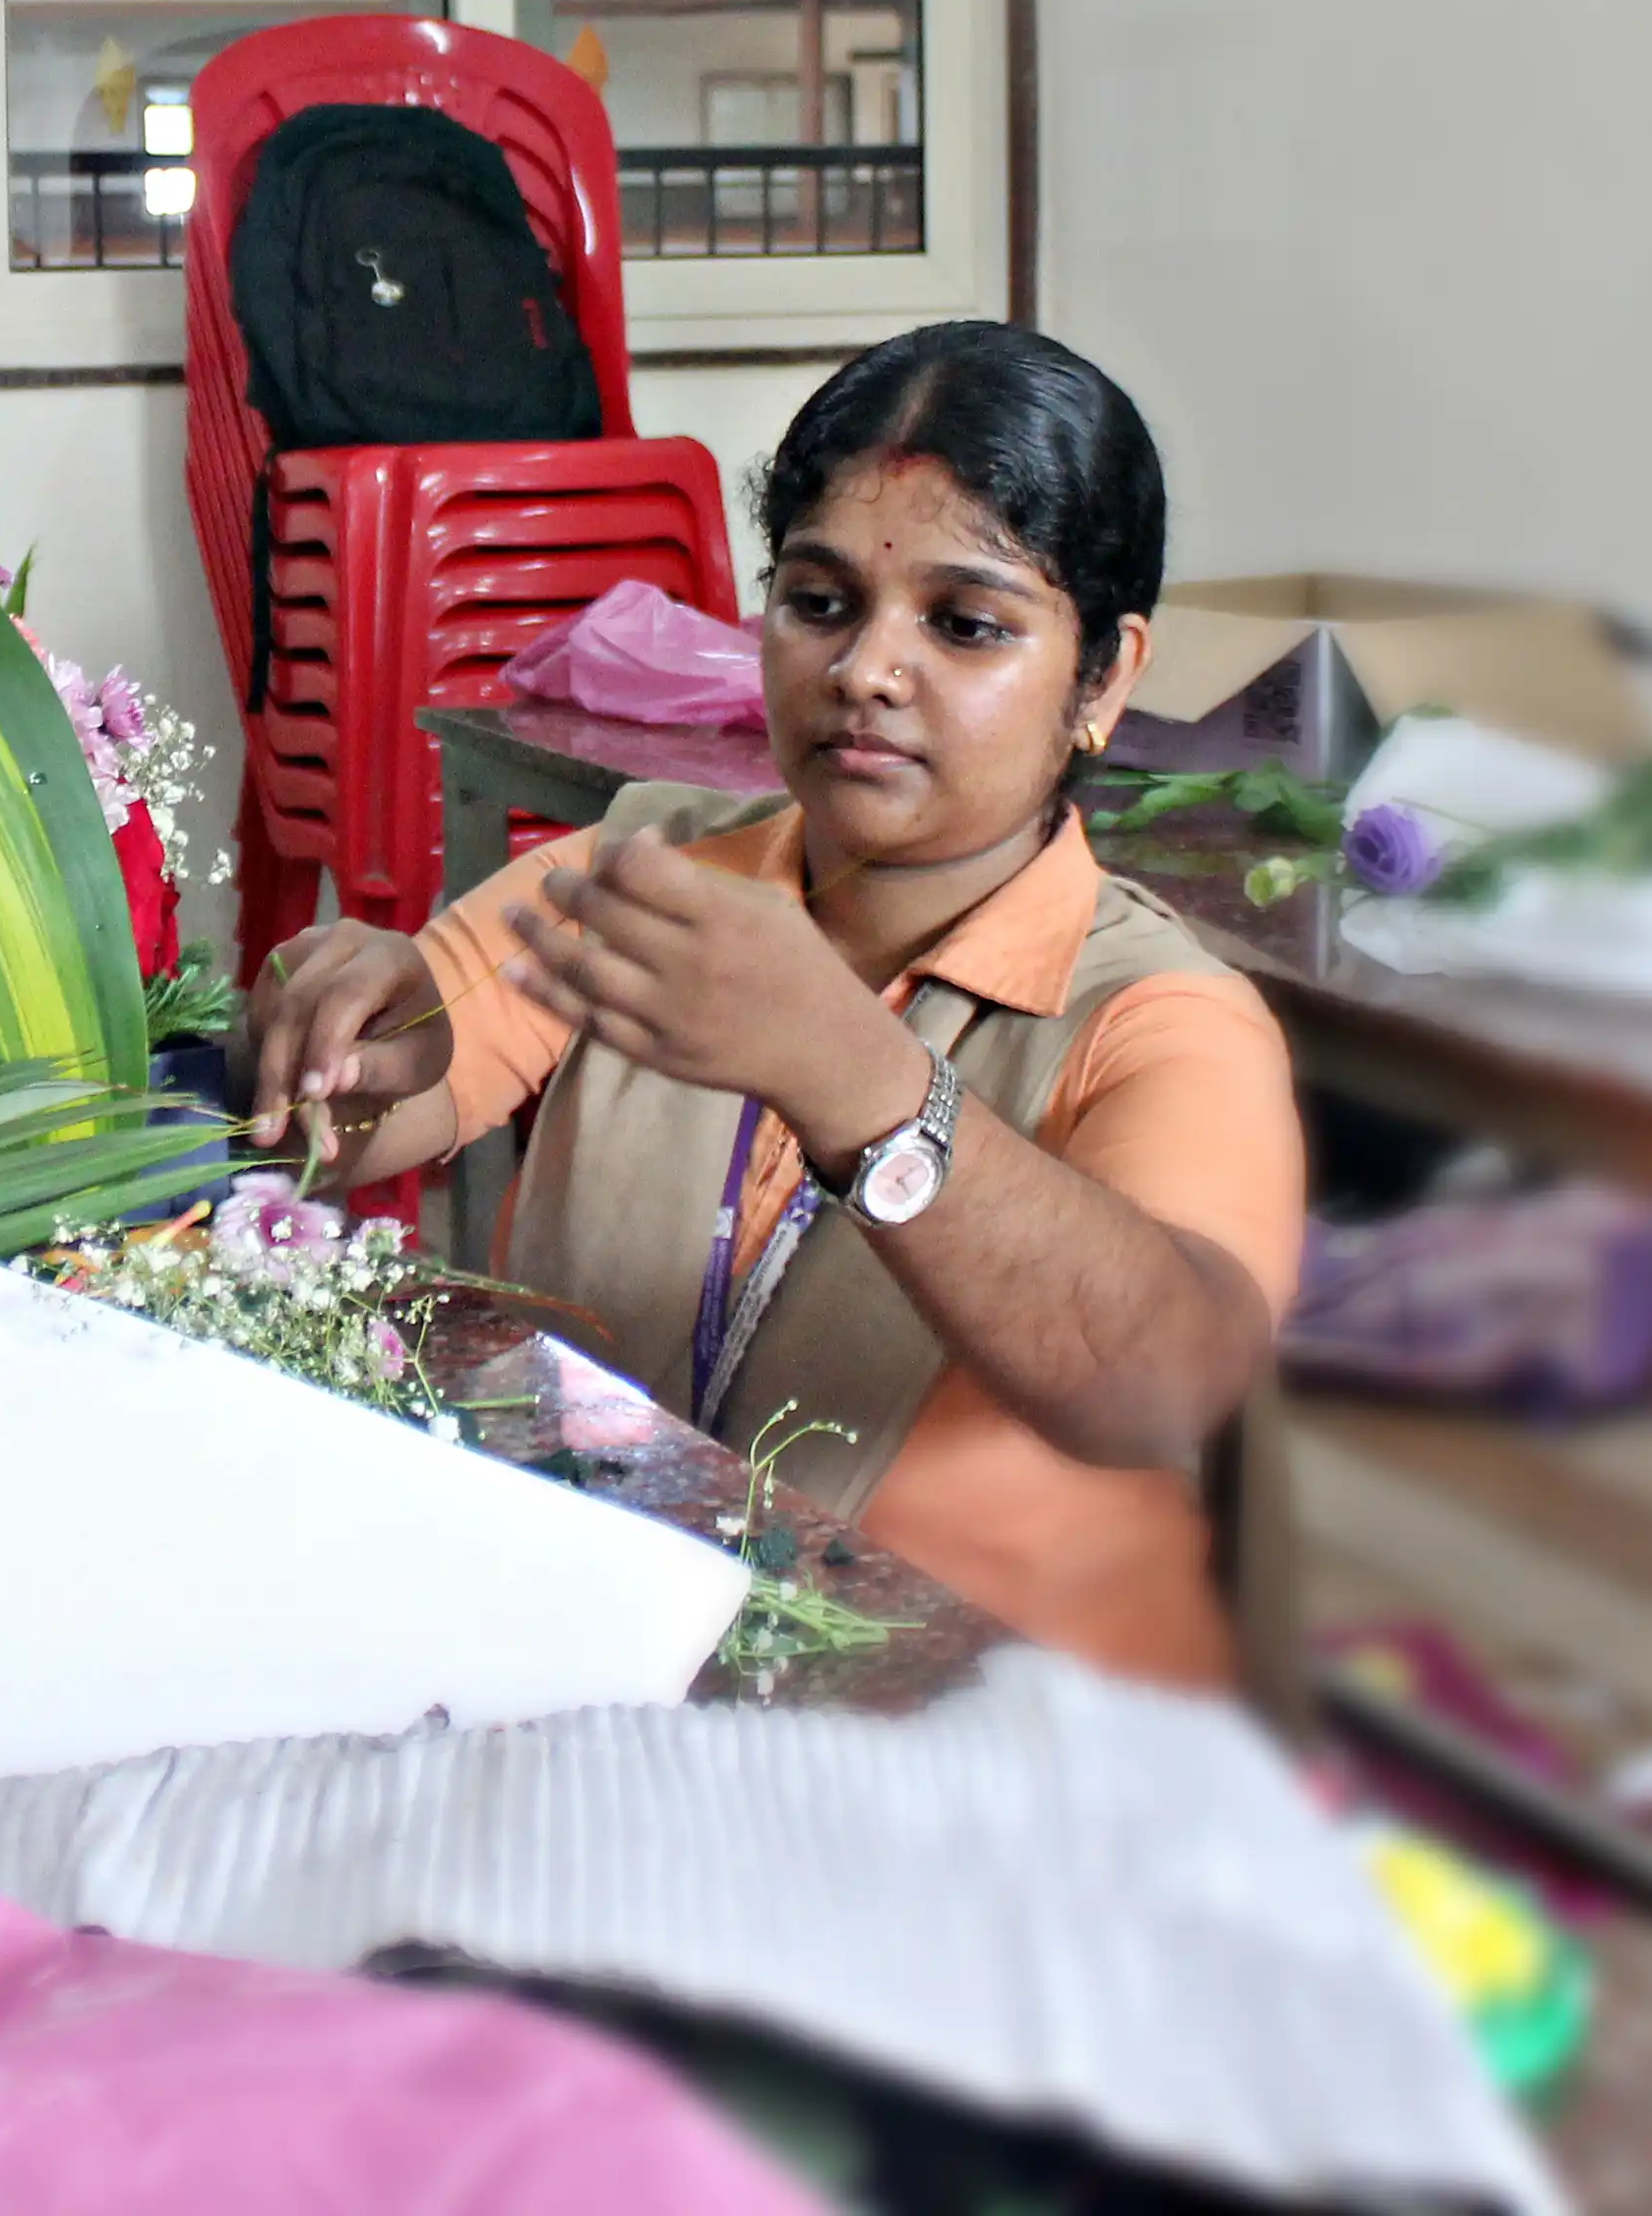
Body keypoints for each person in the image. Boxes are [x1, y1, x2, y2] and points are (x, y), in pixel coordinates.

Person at [245, 319, 1304, 1687]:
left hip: (932, 1745)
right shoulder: (645, 883)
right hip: (586, 1647)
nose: (867, 668)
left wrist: (861, 1087)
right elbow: (359, 1115)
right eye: (819, 603)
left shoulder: (1160, 1019)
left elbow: (1171, 1386)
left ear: (1104, 677)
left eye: (965, 625)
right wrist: (342, 1046)